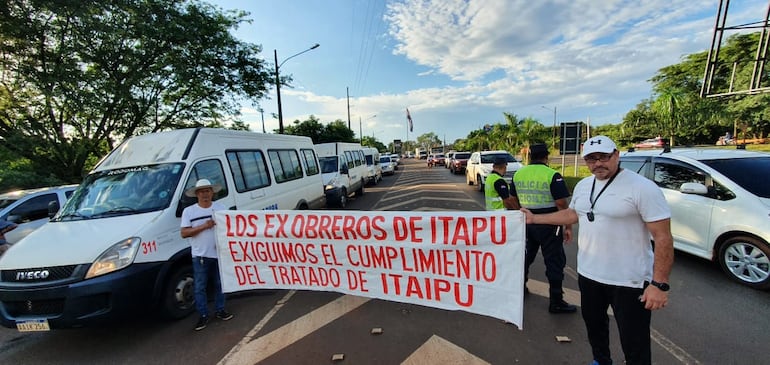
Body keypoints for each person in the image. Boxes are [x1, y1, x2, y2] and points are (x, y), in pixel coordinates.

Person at [520, 135, 674, 365]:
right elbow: (573, 214)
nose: (597, 163)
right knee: (595, 329)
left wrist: (659, 284)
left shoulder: (642, 188)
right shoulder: (584, 185)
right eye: (591, 159)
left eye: (603, 157)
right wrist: (535, 218)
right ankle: (601, 361)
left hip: (629, 281)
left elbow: (663, 237)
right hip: (590, 276)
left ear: (616, 155)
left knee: (634, 341)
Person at [510, 143, 576, 314]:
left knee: (525, 257)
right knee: (554, 261)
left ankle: (519, 289)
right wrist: (567, 226)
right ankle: (556, 301)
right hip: (550, 224)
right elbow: (562, 204)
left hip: (527, 223)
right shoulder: (552, 175)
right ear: (546, 157)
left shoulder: (518, 174)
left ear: (530, 156)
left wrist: (522, 212)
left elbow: (512, 199)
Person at [181, 178, 234, 331]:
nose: (205, 194)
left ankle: (220, 310)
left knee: (220, 284)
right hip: (200, 256)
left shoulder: (221, 208)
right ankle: (203, 315)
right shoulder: (189, 211)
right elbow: (184, 233)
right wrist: (205, 226)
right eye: (202, 191)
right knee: (200, 287)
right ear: (197, 194)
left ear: (212, 193)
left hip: (219, 254)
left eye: (207, 191)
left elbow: (230, 227)